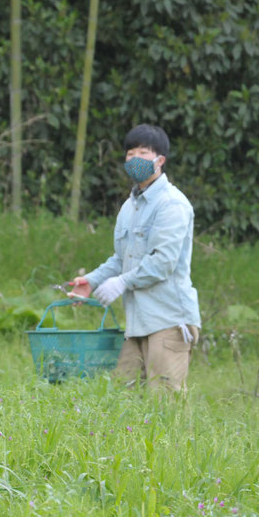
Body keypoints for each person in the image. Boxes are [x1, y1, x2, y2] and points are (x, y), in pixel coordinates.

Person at [69, 124, 201, 394]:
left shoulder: (172, 204)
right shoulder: (130, 207)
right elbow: (121, 259)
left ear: (160, 160)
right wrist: (91, 281)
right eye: (130, 153)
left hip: (169, 318)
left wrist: (122, 283)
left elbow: (163, 262)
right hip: (138, 321)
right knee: (121, 396)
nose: (134, 159)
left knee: (164, 401)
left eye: (143, 152)